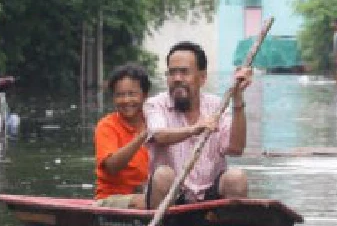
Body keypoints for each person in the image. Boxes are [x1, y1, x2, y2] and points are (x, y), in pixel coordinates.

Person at [143, 41, 254, 208]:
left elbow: (236, 149)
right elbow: (158, 135)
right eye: (172, 73)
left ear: (202, 78)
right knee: (163, 176)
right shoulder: (155, 104)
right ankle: (163, 225)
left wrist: (237, 98)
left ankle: (230, 224)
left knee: (237, 178)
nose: (177, 79)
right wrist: (194, 129)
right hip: (173, 195)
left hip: (210, 194)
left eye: (184, 72)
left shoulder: (217, 106)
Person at [94, 63, 152, 209]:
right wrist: (142, 136)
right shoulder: (106, 126)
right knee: (146, 201)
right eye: (120, 95)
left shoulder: (155, 121)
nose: (126, 100)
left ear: (144, 95)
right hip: (111, 199)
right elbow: (112, 167)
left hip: (149, 195)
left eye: (132, 94)